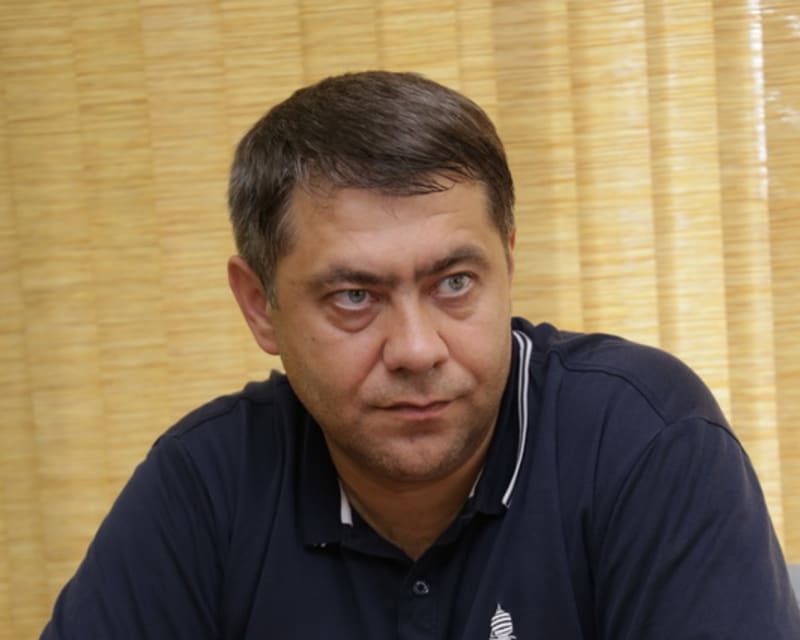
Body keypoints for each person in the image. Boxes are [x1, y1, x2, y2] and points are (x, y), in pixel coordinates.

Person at [41, 70, 799, 639]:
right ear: (260, 305)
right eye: (354, 297)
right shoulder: (206, 484)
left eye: (455, 283)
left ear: (508, 261)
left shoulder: (644, 440)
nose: (415, 349)